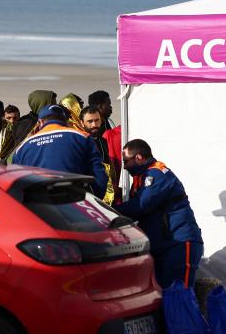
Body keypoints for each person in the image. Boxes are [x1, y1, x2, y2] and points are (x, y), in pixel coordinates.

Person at [114, 139, 203, 289]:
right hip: (161, 245)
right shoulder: (141, 178)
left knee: (179, 295)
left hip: (179, 243)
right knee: (161, 294)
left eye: (126, 161)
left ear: (138, 157)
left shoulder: (158, 174)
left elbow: (140, 206)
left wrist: (108, 210)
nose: (125, 167)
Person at [10, 105, 108, 198]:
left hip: (37, 205)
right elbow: (99, 174)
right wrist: (93, 200)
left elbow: (14, 183)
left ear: (40, 122)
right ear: (65, 121)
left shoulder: (23, 147)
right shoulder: (82, 137)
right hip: (74, 202)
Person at [81, 106, 116, 205]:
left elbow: (108, 164)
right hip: (88, 196)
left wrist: (114, 182)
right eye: (90, 121)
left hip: (107, 196)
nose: (94, 125)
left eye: (97, 120)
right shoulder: (79, 142)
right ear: (82, 123)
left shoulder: (103, 141)